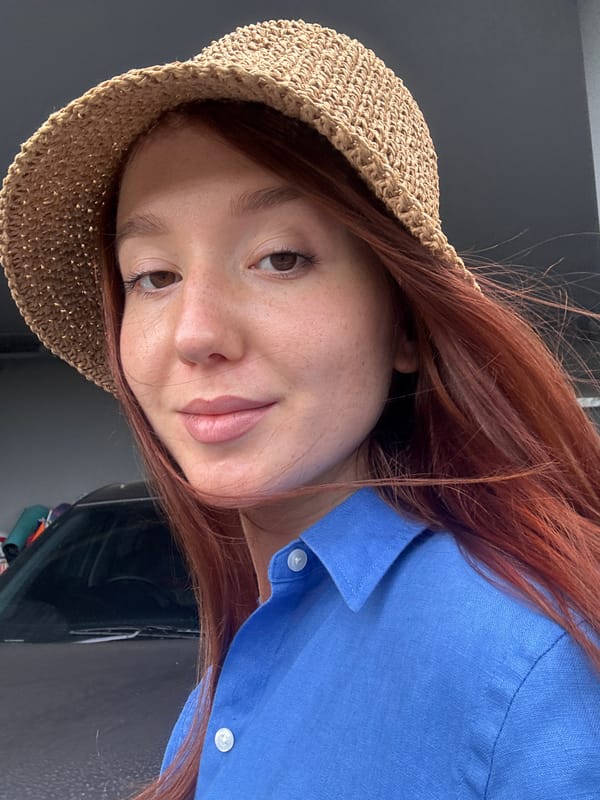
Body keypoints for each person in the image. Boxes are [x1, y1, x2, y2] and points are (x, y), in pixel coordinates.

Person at [1, 18, 599, 800]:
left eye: (280, 258)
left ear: (406, 325)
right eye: (153, 275)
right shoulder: (245, 648)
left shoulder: (526, 669)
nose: (196, 333)